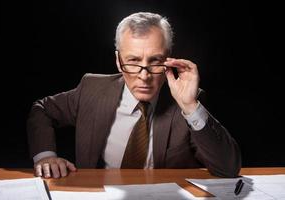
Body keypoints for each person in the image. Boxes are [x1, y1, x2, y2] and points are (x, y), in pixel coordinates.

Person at [27, 12, 241, 179]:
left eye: (155, 61)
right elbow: (42, 110)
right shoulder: (92, 88)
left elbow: (228, 169)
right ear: (119, 61)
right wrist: (46, 156)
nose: (144, 76)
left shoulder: (188, 100)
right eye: (133, 61)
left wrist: (190, 106)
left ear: (168, 60)